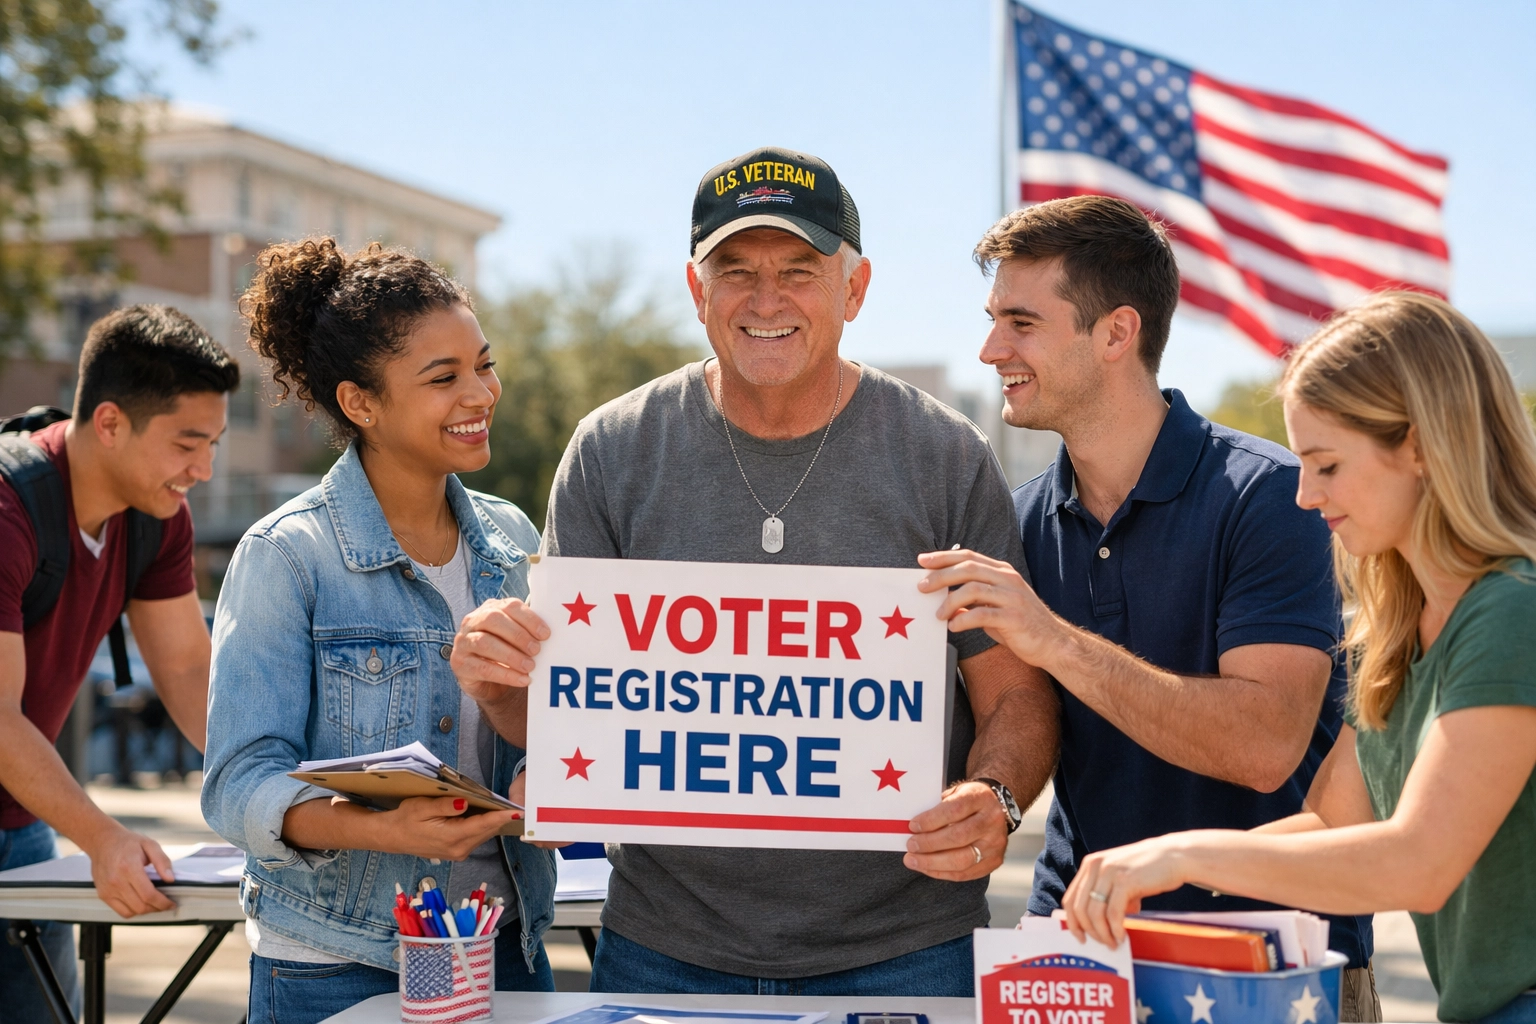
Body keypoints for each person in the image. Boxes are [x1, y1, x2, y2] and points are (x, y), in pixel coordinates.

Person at [451, 146, 1060, 996]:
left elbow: (1016, 695)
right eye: (734, 271)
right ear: (698, 292)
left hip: (905, 948)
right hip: (663, 948)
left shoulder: (943, 456)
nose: (765, 299)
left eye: (799, 270)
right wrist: (495, 680)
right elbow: (562, 718)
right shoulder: (613, 449)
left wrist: (994, 799)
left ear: (855, 288)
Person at [915, 195, 1379, 1019]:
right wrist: (990, 795)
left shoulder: (1269, 497)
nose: (991, 349)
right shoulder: (1018, 520)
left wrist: (1053, 639)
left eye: (1021, 322)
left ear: (1117, 333)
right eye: (993, 320)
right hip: (1077, 952)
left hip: (1271, 967)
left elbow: (1266, 745)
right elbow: (1015, 717)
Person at [1055, 292, 1536, 1024]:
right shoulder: (1392, 635)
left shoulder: (1512, 611)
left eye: (1328, 464)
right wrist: (1147, 873)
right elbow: (1336, 825)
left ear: (1418, 445)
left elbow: (1420, 865)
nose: (1305, 497)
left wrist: (1182, 860)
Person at [200, 239, 556, 1024]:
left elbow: (550, 732)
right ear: (361, 403)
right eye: (444, 378)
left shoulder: (512, 540)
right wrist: (381, 828)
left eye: (483, 365)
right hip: (337, 966)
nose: (481, 393)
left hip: (503, 949)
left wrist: (550, 779)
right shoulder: (286, 557)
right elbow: (237, 786)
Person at [0, 305, 236, 1022]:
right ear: (109, 423)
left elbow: (193, 676)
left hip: (18, 820)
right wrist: (103, 837)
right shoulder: (9, 512)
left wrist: (280, 798)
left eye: (216, 443)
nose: (203, 469)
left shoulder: (157, 515)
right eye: (187, 444)